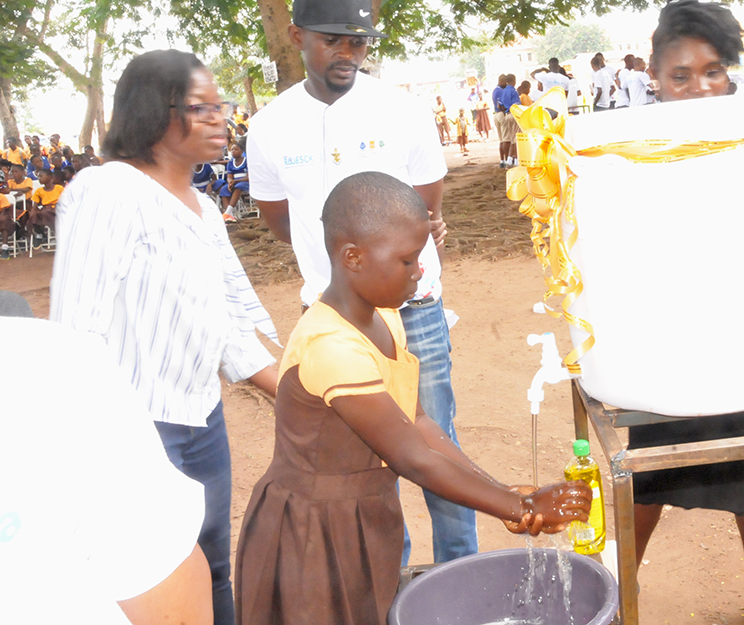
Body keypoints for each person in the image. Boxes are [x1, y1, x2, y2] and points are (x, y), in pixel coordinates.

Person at [234, 172, 592, 625]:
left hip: (362, 515)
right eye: (406, 260)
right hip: (312, 532)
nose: (420, 270)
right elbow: (413, 458)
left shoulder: (384, 317)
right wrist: (520, 508)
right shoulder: (332, 347)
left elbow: (420, 425)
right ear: (353, 258)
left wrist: (504, 491)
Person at [245, 0, 481, 568]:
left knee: (433, 438)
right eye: (334, 40)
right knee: (367, 457)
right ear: (296, 35)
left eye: (360, 42)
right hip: (331, 319)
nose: (349, 53)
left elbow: (425, 205)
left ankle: (462, 570)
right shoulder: (269, 125)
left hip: (414, 308)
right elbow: (278, 219)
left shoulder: (402, 111)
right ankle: (388, 577)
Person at [50, 49, 282, 625]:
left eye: (220, 106)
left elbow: (229, 329)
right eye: (200, 108)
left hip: (201, 420)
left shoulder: (204, 208)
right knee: (152, 582)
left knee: (212, 567)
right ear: (156, 114)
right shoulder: (109, 192)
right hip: (134, 428)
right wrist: (100, 443)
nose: (219, 118)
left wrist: (302, 395)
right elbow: (76, 330)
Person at [641, 2, 744, 623]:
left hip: (741, 334)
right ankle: (622, 585)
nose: (700, 87)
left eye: (713, 72)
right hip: (662, 335)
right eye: (681, 75)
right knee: (648, 467)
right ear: (654, 76)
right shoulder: (631, 148)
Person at [0, 315, 214, 625]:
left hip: (192, 403)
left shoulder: (49, 371)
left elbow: (164, 576)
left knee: (210, 550)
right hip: (148, 403)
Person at [216, 137, 250, 222]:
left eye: (236, 149)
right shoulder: (231, 163)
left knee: (238, 186)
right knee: (224, 189)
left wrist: (236, 181)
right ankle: (230, 216)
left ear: (242, 152)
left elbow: (249, 177)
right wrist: (230, 182)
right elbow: (229, 176)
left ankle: (227, 212)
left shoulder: (247, 161)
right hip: (235, 182)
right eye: (232, 150)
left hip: (245, 182)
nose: (233, 151)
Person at [25, 167, 62, 246]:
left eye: (41, 176)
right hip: (45, 210)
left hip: (58, 210)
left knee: (45, 213)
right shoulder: (39, 191)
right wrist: (32, 215)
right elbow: (34, 206)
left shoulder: (59, 188)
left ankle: (58, 234)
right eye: (38, 177)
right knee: (35, 215)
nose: (39, 179)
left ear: (49, 177)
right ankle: (39, 234)